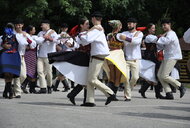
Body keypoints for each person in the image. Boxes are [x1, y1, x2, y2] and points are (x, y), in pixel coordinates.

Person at [78, 12, 115, 107]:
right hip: (96, 55)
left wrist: (80, 35)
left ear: (93, 18)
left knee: (92, 79)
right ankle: (89, 100)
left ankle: (110, 93)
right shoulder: (96, 28)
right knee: (90, 79)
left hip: (98, 55)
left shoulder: (96, 29)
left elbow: (86, 41)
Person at [156, 19, 186, 99]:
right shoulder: (166, 34)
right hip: (167, 56)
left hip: (172, 56)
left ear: (169, 24)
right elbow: (161, 45)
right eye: (162, 25)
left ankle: (180, 86)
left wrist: (158, 38)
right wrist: (160, 39)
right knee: (159, 75)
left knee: (164, 76)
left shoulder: (172, 33)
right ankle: (169, 93)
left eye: (165, 25)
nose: (163, 27)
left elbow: (166, 41)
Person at [118, 18, 143, 101]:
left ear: (135, 24)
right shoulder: (124, 33)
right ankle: (128, 96)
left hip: (136, 59)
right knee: (126, 78)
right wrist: (126, 38)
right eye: (128, 23)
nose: (128, 25)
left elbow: (136, 42)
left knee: (135, 78)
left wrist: (125, 38)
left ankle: (128, 90)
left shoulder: (139, 33)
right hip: (126, 59)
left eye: (130, 23)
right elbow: (118, 37)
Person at [138, 23, 165, 99]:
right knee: (156, 75)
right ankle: (156, 93)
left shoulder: (151, 36)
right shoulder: (148, 37)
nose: (154, 29)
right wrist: (164, 34)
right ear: (149, 29)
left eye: (154, 28)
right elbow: (157, 39)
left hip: (154, 58)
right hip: (150, 58)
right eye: (153, 28)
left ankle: (144, 90)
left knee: (154, 76)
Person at [103, 20, 127, 101]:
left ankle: (109, 94)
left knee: (111, 77)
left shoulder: (108, 35)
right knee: (118, 77)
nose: (121, 27)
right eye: (120, 26)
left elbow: (106, 45)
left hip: (110, 55)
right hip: (118, 55)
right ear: (118, 26)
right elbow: (131, 40)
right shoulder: (120, 35)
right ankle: (113, 95)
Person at [13, 19, 36, 98]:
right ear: (15, 25)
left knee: (23, 76)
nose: (19, 26)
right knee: (16, 75)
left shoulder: (25, 34)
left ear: (22, 25)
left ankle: (14, 88)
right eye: (17, 24)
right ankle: (17, 92)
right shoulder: (13, 34)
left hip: (22, 57)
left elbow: (33, 45)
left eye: (20, 24)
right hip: (14, 56)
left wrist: (27, 38)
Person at [36, 20, 59, 94]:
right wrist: (44, 38)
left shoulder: (53, 32)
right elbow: (38, 41)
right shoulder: (40, 33)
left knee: (49, 72)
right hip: (40, 55)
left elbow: (58, 41)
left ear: (47, 25)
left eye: (42, 25)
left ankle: (49, 86)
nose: (41, 26)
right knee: (40, 71)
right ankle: (43, 87)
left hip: (49, 55)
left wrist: (50, 39)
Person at [0, 23, 21, 99]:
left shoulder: (17, 36)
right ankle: (11, 91)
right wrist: (3, 46)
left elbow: (23, 43)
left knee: (11, 74)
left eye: (11, 28)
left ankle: (6, 91)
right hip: (5, 54)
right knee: (6, 72)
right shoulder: (2, 37)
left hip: (14, 55)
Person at [52, 23, 70, 92]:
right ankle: (66, 86)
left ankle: (55, 87)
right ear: (61, 29)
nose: (64, 29)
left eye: (65, 28)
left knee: (61, 72)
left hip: (65, 54)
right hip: (59, 54)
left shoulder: (68, 36)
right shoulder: (58, 36)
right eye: (63, 28)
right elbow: (55, 43)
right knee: (59, 71)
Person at [21, 25, 38, 94]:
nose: (35, 31)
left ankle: (30, 87)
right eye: (33, 29)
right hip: (29, 54)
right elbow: (31, 45)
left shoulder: (32, 36)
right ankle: (25, 85)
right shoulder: (26, 36)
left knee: (33, 71)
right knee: (30, 71)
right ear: (30, 31)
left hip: (32, 54)